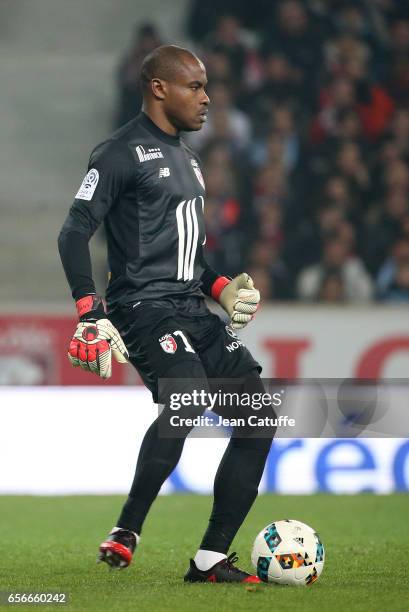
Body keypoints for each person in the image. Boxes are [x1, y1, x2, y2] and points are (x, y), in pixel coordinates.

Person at [58, 45, 274, 583]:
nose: (207, 98)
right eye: (195, 87)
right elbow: (73, 232)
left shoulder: (189, 161)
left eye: (205, 87)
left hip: (191, 309)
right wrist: (89, 310)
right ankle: (127, 529)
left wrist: (220, 286)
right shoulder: (117, 153)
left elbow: (188, 257)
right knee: (189, 396)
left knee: (259, 418)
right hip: (143, 309)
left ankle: (209, 559)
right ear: (159, 88)